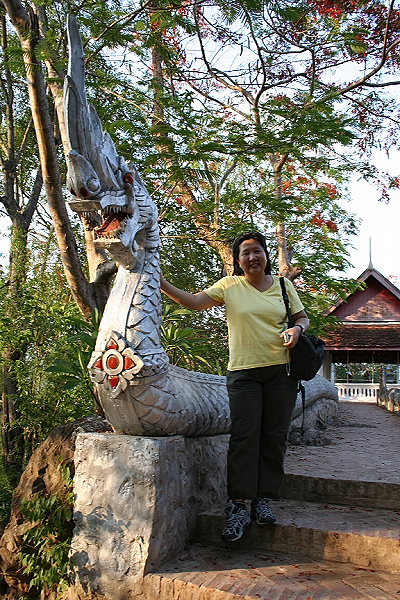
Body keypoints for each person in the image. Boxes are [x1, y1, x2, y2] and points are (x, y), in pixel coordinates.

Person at [160, 231, 309, 542]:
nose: (252, 257)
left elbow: (302, 317)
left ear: (266, 255)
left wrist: (297, 329)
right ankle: (238, 504)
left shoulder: (283, 285)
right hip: (243, 373)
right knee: (244, 437)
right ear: (238, 260)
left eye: (256, 251)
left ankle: (263, 499)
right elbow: (194, 302)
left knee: (274, 435)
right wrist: (159, 280)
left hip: (281, 371)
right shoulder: (229, 286)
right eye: (245, 253)